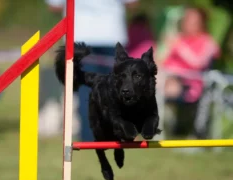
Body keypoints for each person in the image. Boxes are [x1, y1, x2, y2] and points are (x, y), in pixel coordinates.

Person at [46, 0, 139, 141]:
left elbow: (54, 6)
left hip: (78, 34)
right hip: (111, 34)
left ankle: (89, 137)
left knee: (86, 91)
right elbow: (133, 3)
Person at [157, 6, 220, 138]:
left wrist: (179, 46)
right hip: (167, 80)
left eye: (192, 20)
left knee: (160, 83)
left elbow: (198, 63)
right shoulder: (177, 38)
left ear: (201, 23)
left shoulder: (208, 42)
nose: (188, 23)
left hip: (191, 85)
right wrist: (164, 47)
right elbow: (159, 62)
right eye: (186, 20)